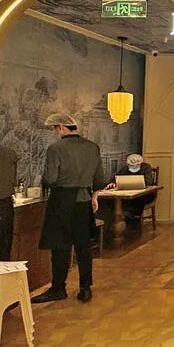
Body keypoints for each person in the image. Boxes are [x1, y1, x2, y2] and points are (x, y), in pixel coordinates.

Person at [32, 113, 107, 304]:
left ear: (61, 128)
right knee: (84, 247)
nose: (55, 132)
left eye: (55, 129)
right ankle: (85, 288)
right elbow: (99, 178)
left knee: (59, 246)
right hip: (84, 199)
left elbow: (50, 178)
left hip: (62, 200)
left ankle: (58, 288)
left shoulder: (55, 149)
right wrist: (94, 196)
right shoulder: (92, 147)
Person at [105, 154, 156, 226]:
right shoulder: (125, 169)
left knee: (139, 199)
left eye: (136, 165)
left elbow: (148, 182)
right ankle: (120, 218)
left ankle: (135, 218)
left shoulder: (146, 167)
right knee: (113, 200)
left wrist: (137, 183)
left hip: (145, 194)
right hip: (128, 194)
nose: (134, 167)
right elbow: (116, 178)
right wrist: (112, 183)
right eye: (131, 165)